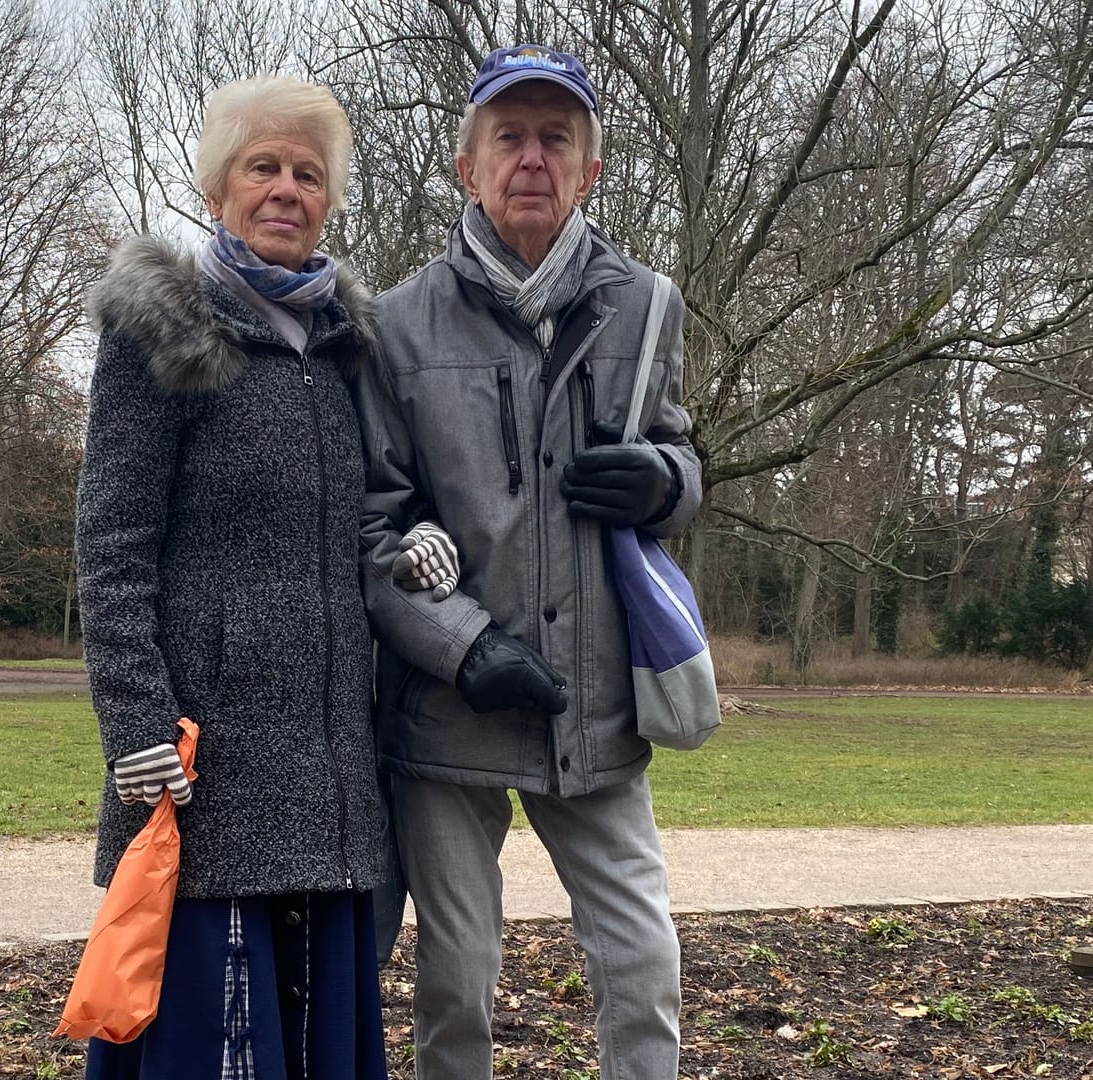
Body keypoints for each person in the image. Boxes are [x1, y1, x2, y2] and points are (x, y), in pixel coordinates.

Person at [76, 76, 451, 1080]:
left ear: (329, 198)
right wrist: (137, 726)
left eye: (308, 173)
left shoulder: (346, 349)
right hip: (207, 775)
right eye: (264, 166)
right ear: (218, 186)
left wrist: (408, 545)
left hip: (332, 776)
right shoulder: (164, 330)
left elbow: (370, 514)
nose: (286, 188)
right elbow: (111, 547)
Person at [352, 44, 703, 1080]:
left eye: (558, 139)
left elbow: (680, 449)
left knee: (645, 962)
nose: (533, 159)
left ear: (591, 169)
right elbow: (375, 529)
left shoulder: (648, 305)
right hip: (453, 710)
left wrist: (668, 481)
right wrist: (463, 648)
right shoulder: (395, 322)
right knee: (457, 976)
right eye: (510, 137)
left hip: (595, 707)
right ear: (468, 165)